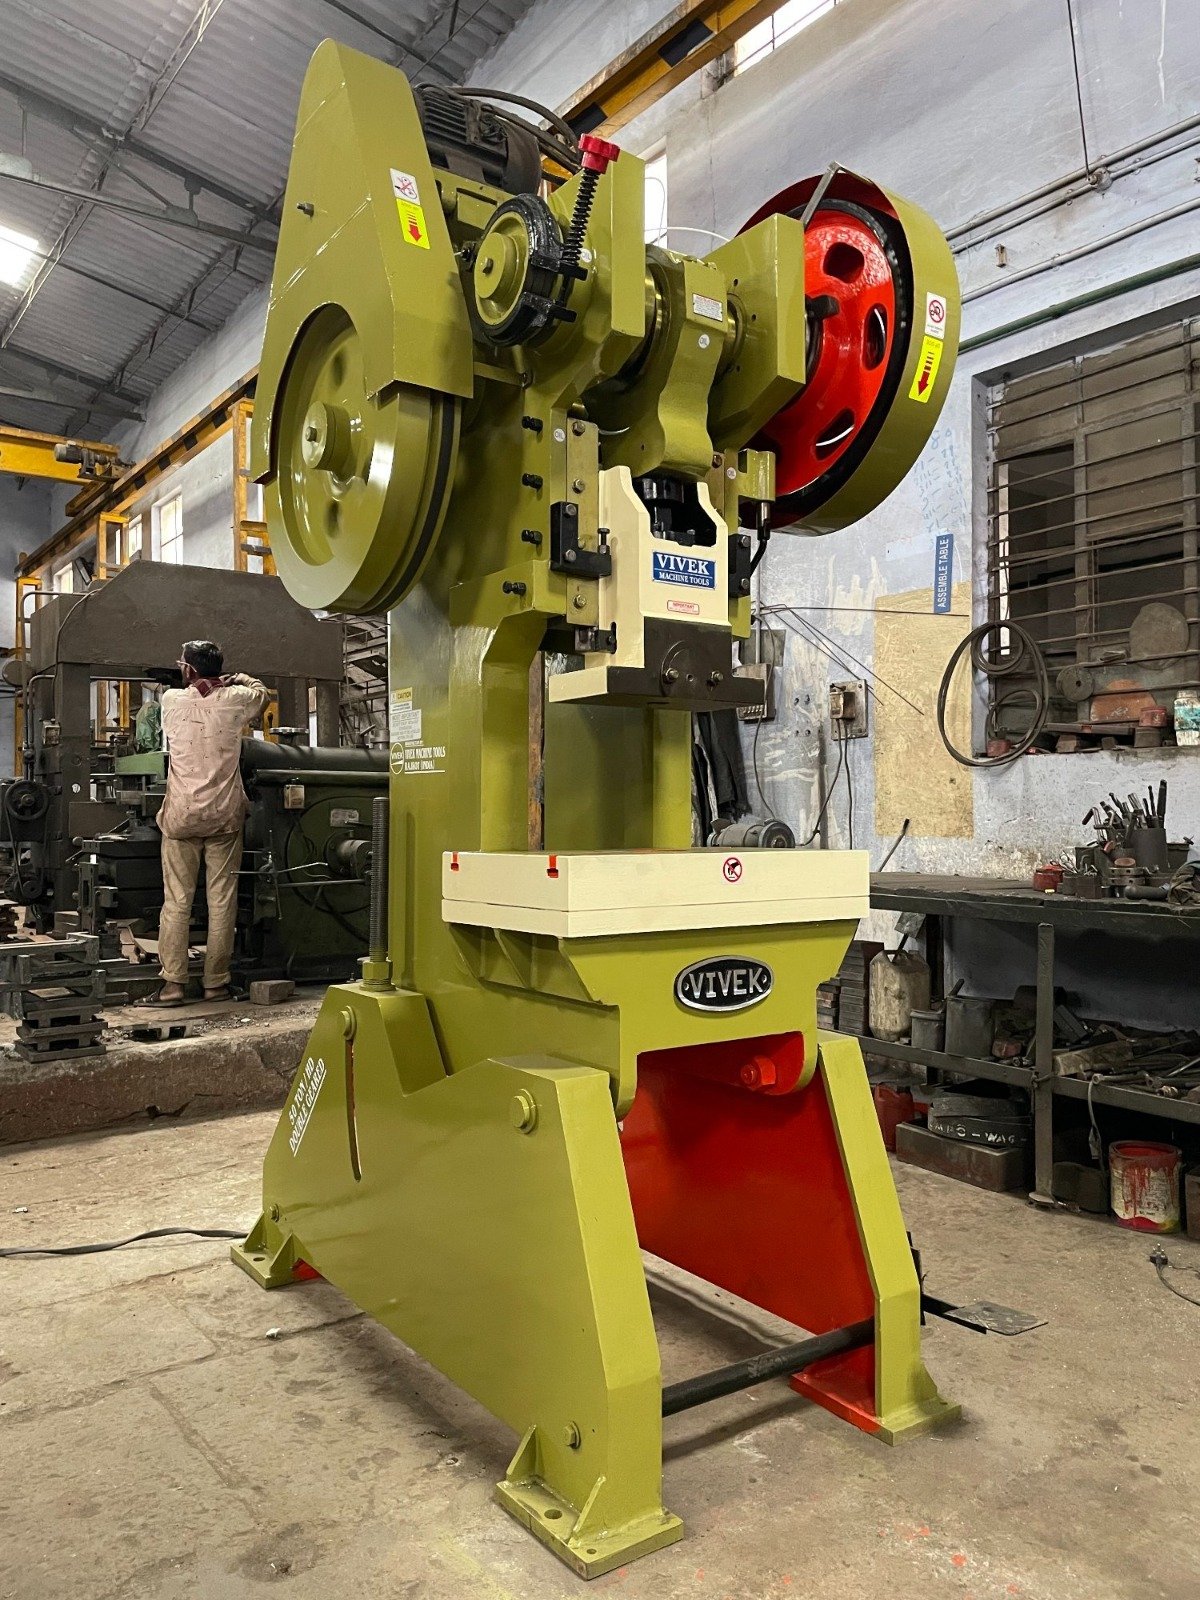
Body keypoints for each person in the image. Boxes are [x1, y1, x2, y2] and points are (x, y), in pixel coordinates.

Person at [153, 640, 269, 1005]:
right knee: (222, 903)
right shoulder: (237, 699)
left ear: (188, 669)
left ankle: (173, 985)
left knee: (177, 903)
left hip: (181, 816)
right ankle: (215, 983)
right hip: (223, 816)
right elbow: (261, 693)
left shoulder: (171, 701)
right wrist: (237, 678)